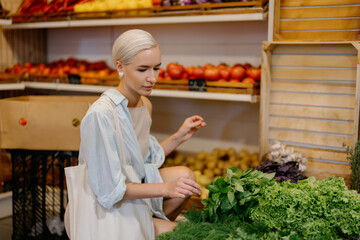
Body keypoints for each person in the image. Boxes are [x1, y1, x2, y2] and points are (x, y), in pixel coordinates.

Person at [64, 29, 206, 239]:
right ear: (120, 66)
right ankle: (149, 229)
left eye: (156, 68)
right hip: (103, 209)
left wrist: (179, 136)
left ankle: (149, 225)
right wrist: (165, 188)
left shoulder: (144, 105)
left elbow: (143, 160)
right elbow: (110, 190)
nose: (152, 78)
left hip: (131, 192)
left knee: (185, 176)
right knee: (186, 234)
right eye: (143, 69)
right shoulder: (101, 115)